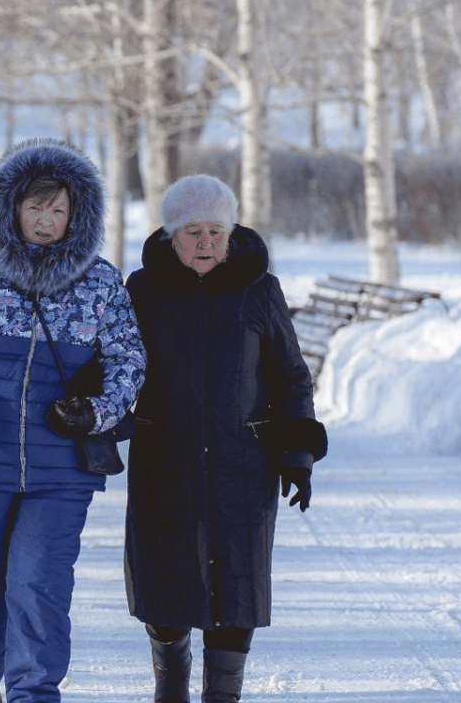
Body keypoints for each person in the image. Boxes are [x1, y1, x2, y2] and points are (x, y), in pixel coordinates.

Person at [0, 138, 146, 703]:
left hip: (62, 469)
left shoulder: (101, 282)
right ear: (12, 208)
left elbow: (129, 361)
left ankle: (35, 691)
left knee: (38, 583)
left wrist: (97, 411)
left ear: (77, 216)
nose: (46, 221)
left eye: (58, 210)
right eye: (35, 208)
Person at [122, 175, 328, 703]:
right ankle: (170, 684)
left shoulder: (260, 290)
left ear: (232, 233)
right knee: (165, 587)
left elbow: (291, 378)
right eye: (193, 232)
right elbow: (113, 369)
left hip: (245, 466)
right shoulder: (142, 291)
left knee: (236, 588)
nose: (207, 244)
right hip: (163, 465)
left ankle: (224, 695)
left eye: (217, 231)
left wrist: (299, 457)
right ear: (171, 237)